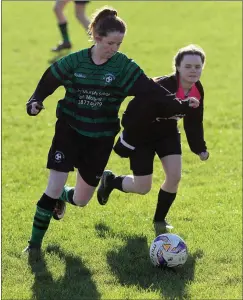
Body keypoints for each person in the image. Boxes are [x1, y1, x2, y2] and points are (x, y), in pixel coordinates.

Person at [23, 6, 199, 259]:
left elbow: (150, 90)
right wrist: (35, 100)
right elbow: (50, 79)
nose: (114, 49)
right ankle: (34, 246)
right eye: (110, 43)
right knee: (53, 185)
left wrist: (180, 104)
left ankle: (62, 196)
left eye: (119, 44)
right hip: (69, 131)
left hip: (101, 138)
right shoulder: (75, 61)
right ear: (95, 36)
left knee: (82, 199)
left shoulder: (123, 66)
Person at [96, 44, 209, 234]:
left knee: (174, 176)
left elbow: (194, 121)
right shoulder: (161, 86)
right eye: (188, 66)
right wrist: (129, 139)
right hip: (143, 137)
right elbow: (133, 111)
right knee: (142, 187)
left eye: (197, 67)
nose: (193, 71)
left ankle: (160, 220)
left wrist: (199, 148)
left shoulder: (197, 89)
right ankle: (111, 181)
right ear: (178, 67)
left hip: (167, 134)